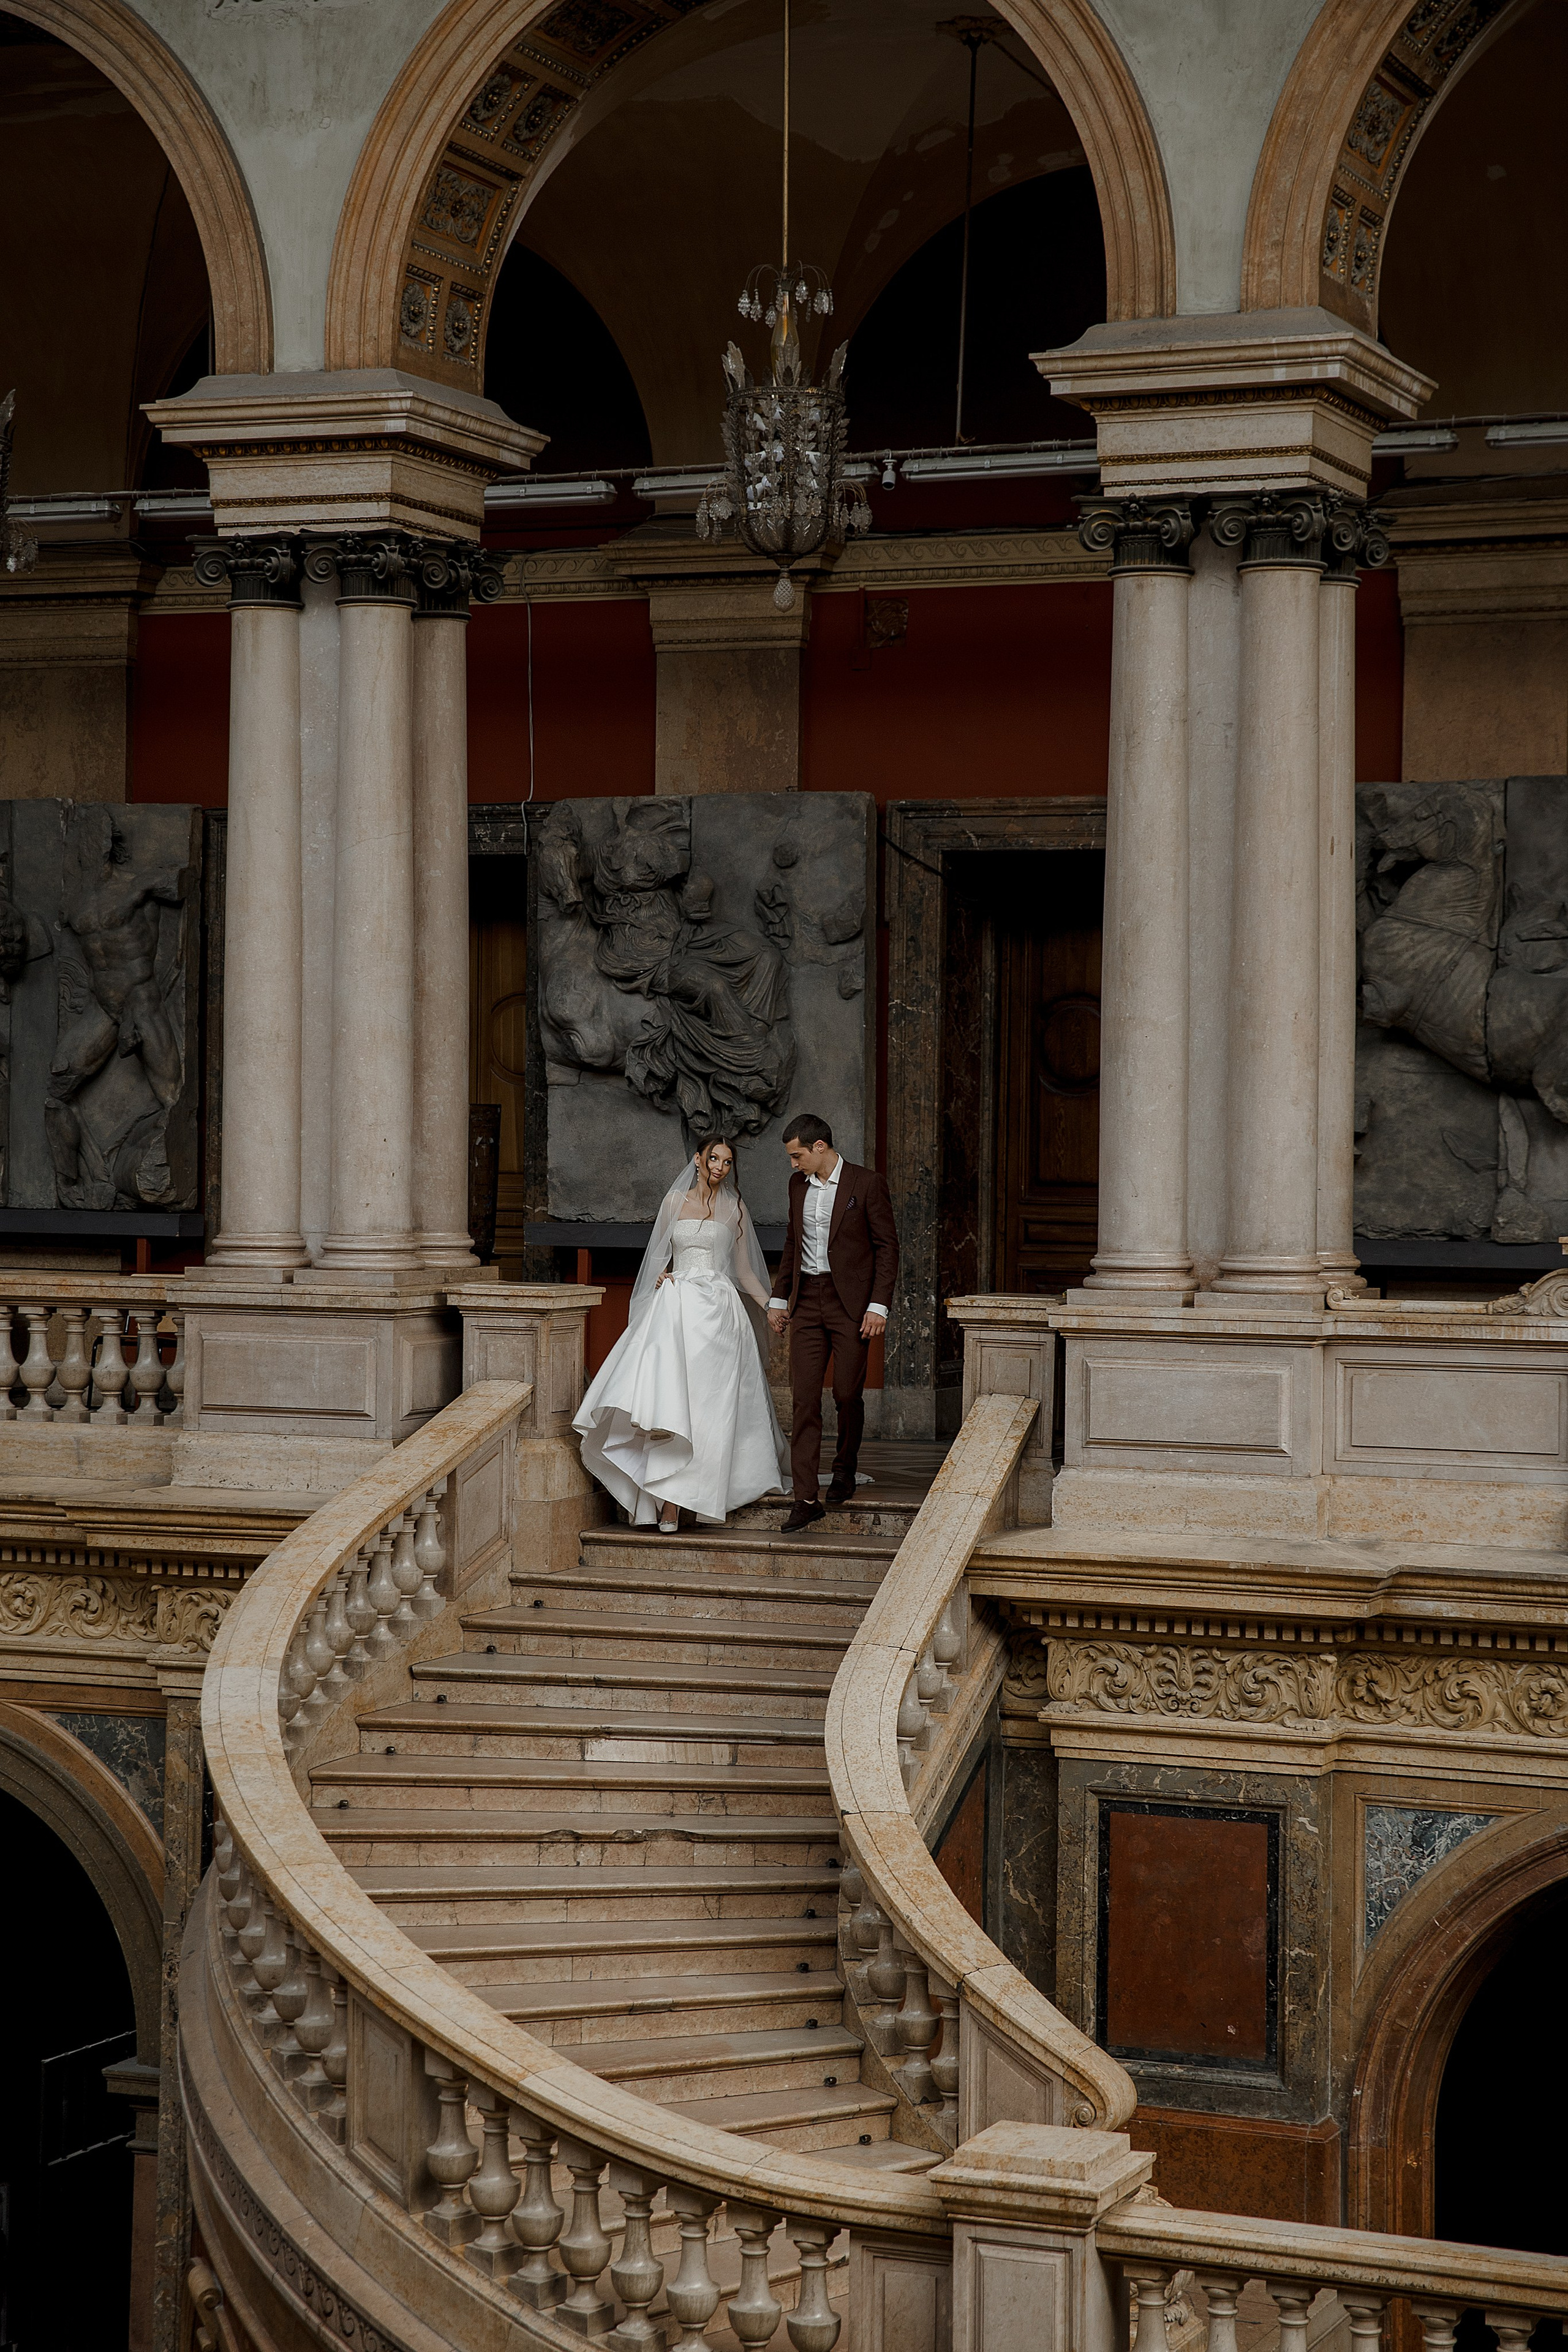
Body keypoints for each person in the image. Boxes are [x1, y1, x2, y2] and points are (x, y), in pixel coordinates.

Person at [575, 1140, 789, 1530]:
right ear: (698, 1159)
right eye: (713, 1159)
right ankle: (667, 1502)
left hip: (721, 1316)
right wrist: (659, 1276)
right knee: (673, 1404)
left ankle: (697, 1497)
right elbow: (657, 1258)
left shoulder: (736, 1209)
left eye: (727, 1162)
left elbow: (743, 1272)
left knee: (711, 1410)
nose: (720, 1167)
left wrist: (773, 1306)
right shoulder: (674, 1202)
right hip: (676, 1308)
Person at [767, 1113, 899, 1533]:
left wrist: (878, 1306)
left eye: (797, 1156)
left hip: (852, 1305)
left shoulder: (866, 1183)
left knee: (846, 1394)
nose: (793, 1164)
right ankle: (805, 1499)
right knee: (804, 1399)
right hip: (807, 1302)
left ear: (819, 1147)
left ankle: (845, 1470)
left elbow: (887, 1248)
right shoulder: (796, 1186)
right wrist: (777, 1296)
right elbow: (793, 1242)